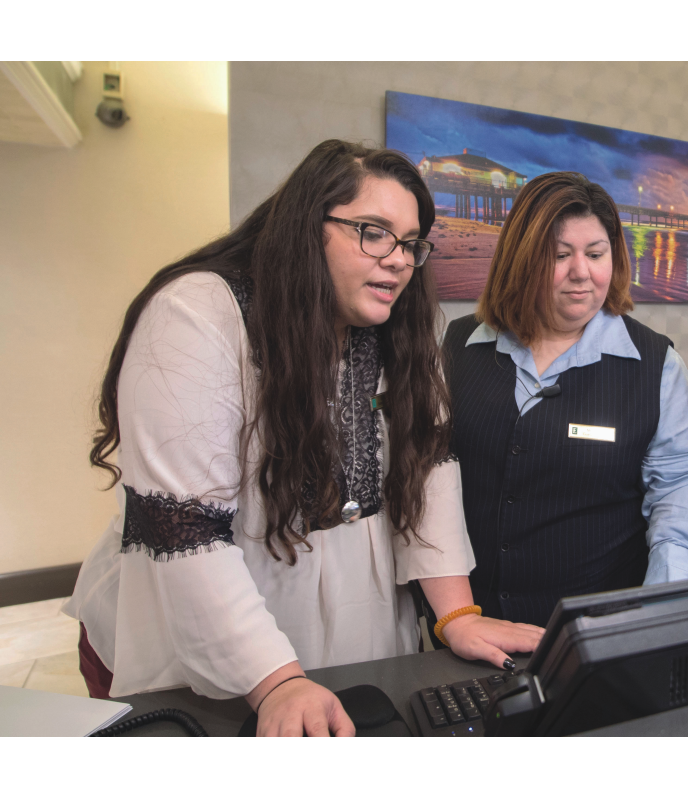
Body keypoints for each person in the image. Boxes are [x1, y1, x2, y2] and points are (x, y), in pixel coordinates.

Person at [65, 140, 542, 736]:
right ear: (304, 227)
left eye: (411, 243)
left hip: (353, 608)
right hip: (203, 609)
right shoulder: (195, 313)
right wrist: (276, 679)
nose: (397, 259)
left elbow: (428, 467)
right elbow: (185, 530)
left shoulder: (399, 325)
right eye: (372, 231)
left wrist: (457, 616)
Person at [441, 172, 688, 628]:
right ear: (521, 260)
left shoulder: (654, 364)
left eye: (595, 254)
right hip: (471, 626)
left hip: (598, 632)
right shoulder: (460, 344)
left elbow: (681, 489)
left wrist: (663, 610)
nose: (581, 273)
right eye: (560, 255)